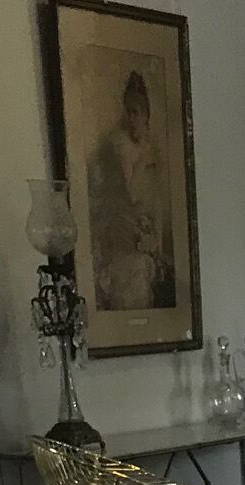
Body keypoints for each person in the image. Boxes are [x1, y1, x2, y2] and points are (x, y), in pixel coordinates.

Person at [87, 67, 175, 312]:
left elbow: (156, 198)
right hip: (120, 233)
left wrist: (156, 240)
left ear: (147, 114)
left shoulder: (151, 147)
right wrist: (142, 160)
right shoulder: (119, 145)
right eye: (129, 111)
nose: (132, 118)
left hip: (142, 234)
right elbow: (132, 194)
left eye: (137, 112)